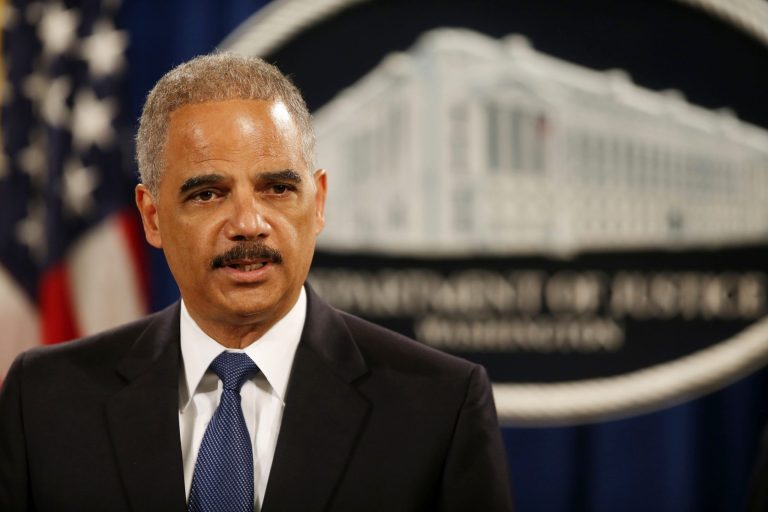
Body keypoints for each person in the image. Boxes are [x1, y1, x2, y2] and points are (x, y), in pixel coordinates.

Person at [0, 53, 513, 512]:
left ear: (318, 202)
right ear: (152, 217)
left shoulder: (440, 406)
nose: (249, 223)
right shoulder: (44, 399)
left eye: (277, 189)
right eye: (208, 194)